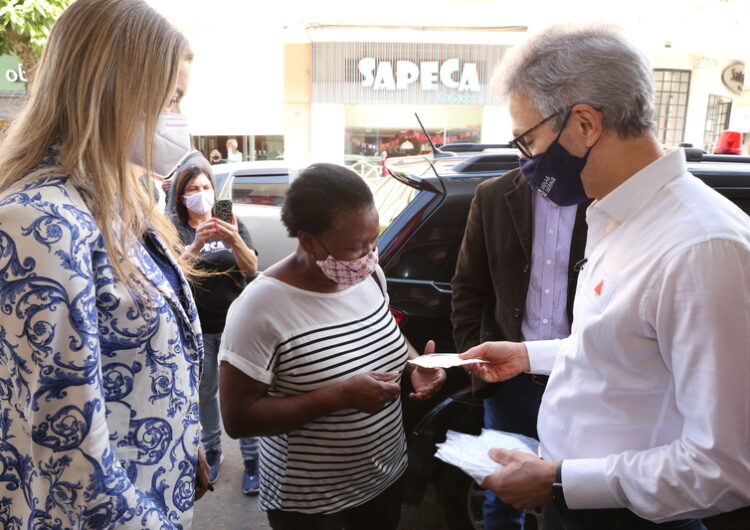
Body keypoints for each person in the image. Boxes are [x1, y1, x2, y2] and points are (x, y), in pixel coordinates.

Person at [460, 24, 750, 529]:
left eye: (528, 139)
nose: (525, 161)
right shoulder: (614, 214)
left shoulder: (705, 247)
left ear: (586, 125)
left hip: (632, 515)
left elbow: (726, 465)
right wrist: (530, 355)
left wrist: (559, 481)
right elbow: (624, 346)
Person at [0, 0, 210, 527]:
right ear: (114, 91)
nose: (178, 118)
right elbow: (63, 445)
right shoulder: (38, 223)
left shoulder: (116, 208)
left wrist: (186, 443)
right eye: (171, 99)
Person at [218, 163, 446, 529]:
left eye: (373, 241)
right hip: (312, 505)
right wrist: (338, 397)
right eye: (356, 247)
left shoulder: (370, 274)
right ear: (309, 240)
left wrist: (415, 364)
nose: (370, 255)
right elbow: (238, 419)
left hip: (384, 478)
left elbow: (383, 332)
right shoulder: (259, 308)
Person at [451, 159, 588, 530]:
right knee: (504, 496)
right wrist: (473, 356)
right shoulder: (493, 195)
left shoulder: (602, 192)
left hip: (583, 379)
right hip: (511, 385)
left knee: (575, 495)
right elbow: (467, 287)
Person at [167, 152, 262, 495]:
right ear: (181, 195)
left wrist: (233, 237)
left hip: (236, 325)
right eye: (193, 188)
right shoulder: (174, 228)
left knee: (243, 392)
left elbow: (251, 269)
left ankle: (252, 460)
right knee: (206, 393)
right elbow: (169, 276)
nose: (201, 193)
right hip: (198, 329)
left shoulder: (227, 216)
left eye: (206, 185)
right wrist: (196, 245)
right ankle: (214, 451)